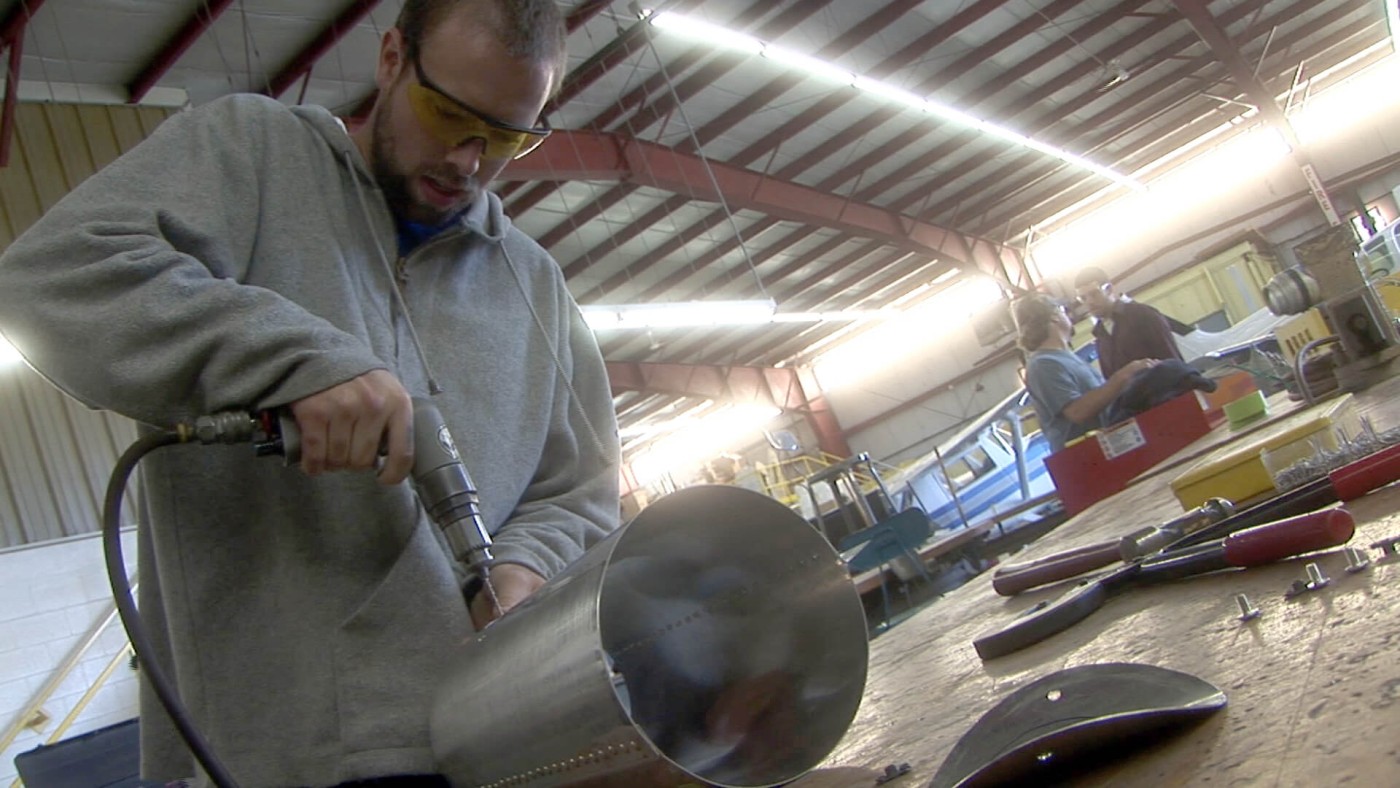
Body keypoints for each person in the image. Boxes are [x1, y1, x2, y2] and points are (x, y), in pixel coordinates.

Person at [0, 1, 620, 785]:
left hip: (488, 733)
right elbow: (50, 280)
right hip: (275, 748)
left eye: (504, 137)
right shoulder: (249, 152)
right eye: (447, 114)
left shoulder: (534, 285)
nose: (467, 159)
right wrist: (290, 359)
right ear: (391, 58)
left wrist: (524, 567)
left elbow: (582, 490)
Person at [1013, 294, 1155, 452]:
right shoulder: (1043, 365)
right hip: (1087, 456)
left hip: (1106, 446)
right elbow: (1077, 412)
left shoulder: (1065, 357)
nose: (1067, 315)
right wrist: (1124, 376)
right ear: (1054, 317)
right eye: (1063, 310)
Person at [1073, 266, 1184, 378]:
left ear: (1109, 289)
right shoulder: (1100, 335)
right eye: (1083, 298)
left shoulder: (1142, 315)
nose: (1090, 302)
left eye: (1095, 294)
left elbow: (1173, 361)